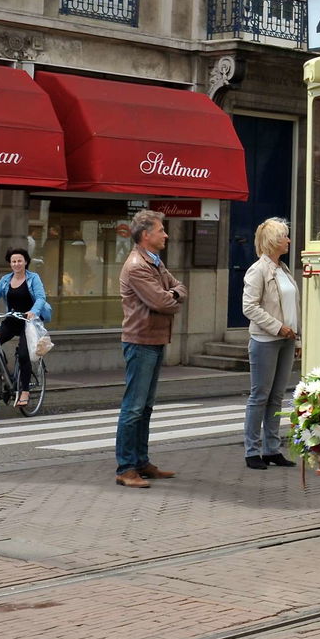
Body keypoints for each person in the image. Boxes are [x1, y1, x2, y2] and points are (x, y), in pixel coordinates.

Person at [115, 209, 188, 489]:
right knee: (133, 407)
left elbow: (178, 287)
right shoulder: (137, 266)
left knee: (145, 407)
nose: (166, 235)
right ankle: (126, 468)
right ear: (146, 235)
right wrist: (172, 296)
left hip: (154, 339)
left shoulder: (154, 261)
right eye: (161, 230)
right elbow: (162, 302)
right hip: (140, 340)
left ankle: (141, 461)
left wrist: (173, 294)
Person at [240, 217, 300, 469]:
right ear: (273, 241)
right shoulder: (258, 270)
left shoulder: (283, 269)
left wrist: (296, 338)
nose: (289, 240)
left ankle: (271, 449)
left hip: (287, 339)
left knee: (276, 396)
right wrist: (278, 327)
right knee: (260, 395)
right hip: (266, 339)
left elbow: (292, 307)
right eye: (284, 236)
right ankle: (252, 451)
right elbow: (249, 307)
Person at [0, 248, 51, 409]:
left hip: (28, 322)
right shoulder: (5, 280)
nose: (16, 264)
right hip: (12, 319)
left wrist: (33, 312)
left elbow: (41, 298)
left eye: (19, 261)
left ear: (26, 262)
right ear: (10, 263)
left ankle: (25, 391)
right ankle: (5, 375)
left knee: (23, 355)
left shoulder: (33, 278)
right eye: (13, 261)